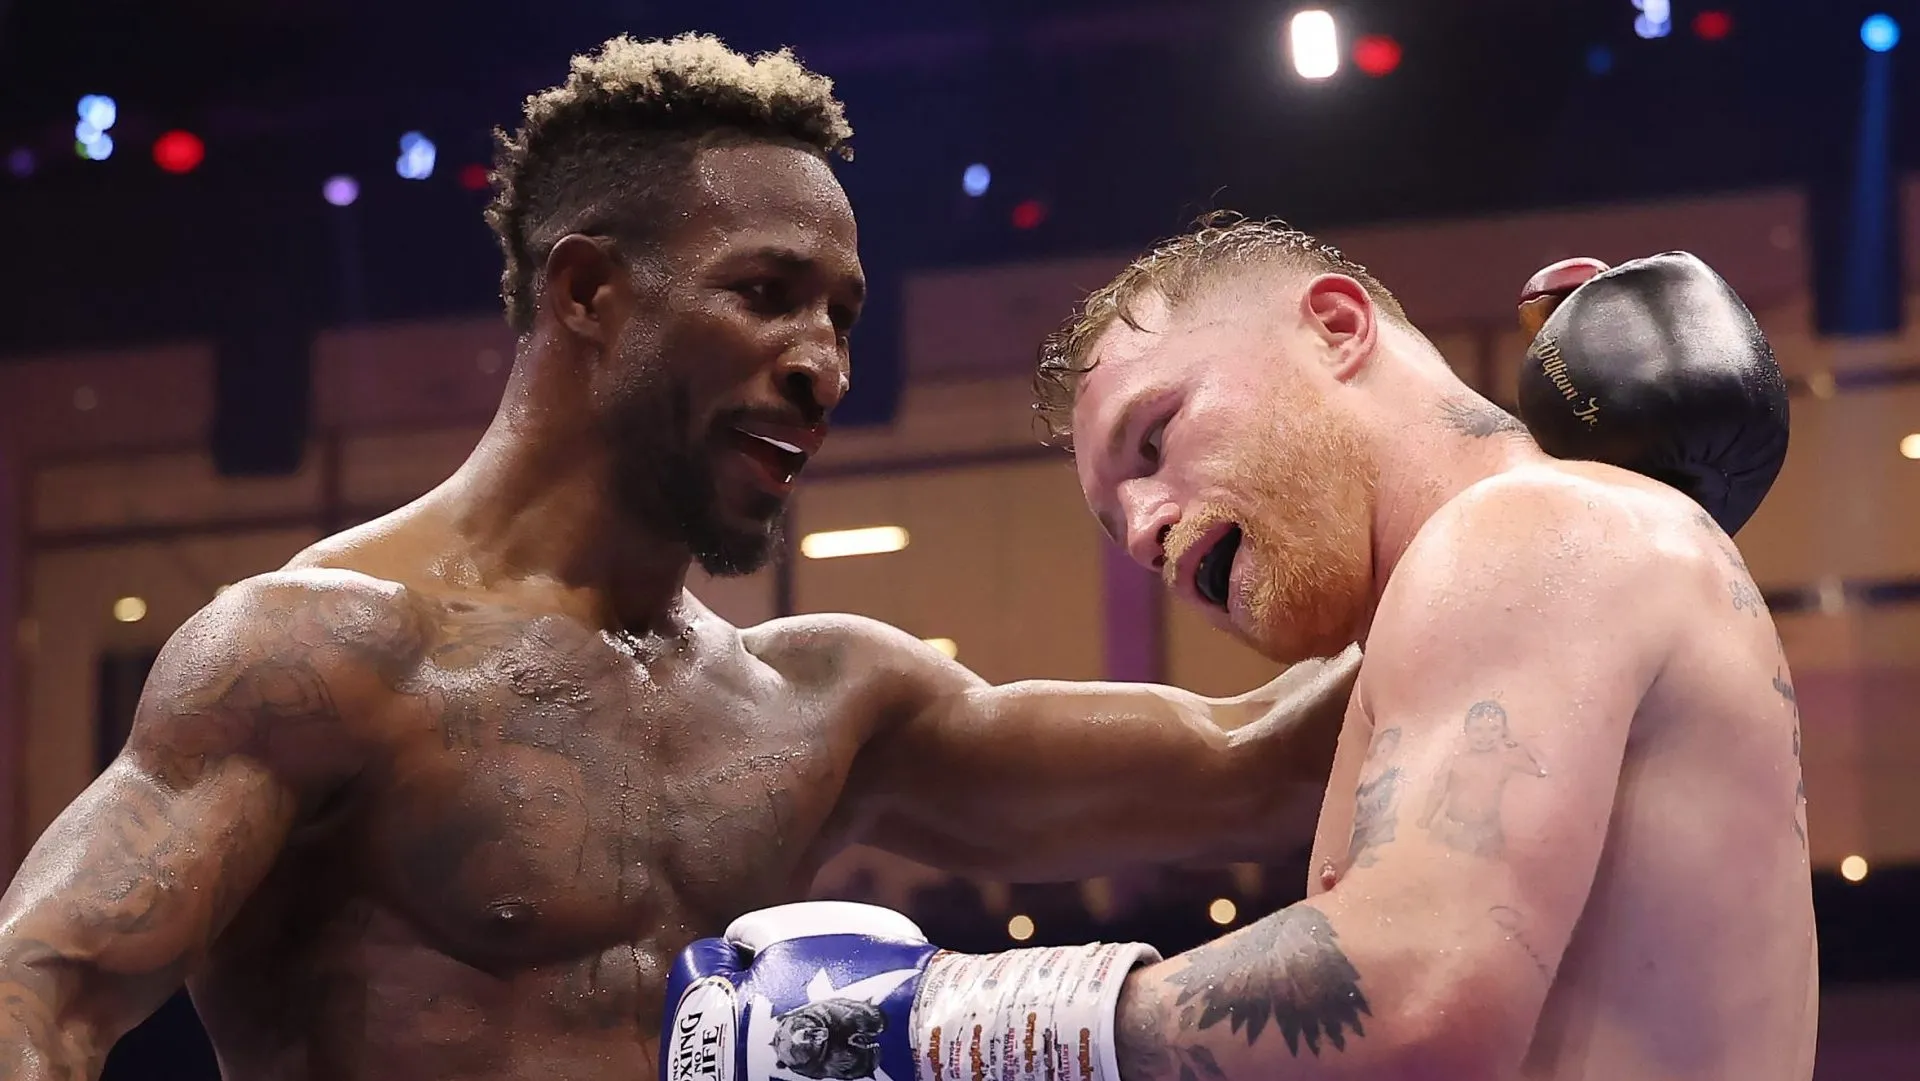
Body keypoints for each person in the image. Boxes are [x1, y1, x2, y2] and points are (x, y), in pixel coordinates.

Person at [0, 35, 1375, 1081]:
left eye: (841, 315)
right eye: (766, 294)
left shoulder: (825, 702)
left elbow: (1257, 753)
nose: (823, 365)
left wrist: (1531, 482)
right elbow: (44, 992)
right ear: (588, 290)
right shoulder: (319, 653)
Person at [665, 219, 1808, 1081]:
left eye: (1156, 437)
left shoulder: (1526, 529)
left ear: (1337, 325)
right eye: (1120, 529)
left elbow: (1415, 992)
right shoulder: (1554, 554)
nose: (1152, 530)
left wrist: (925, 1023)